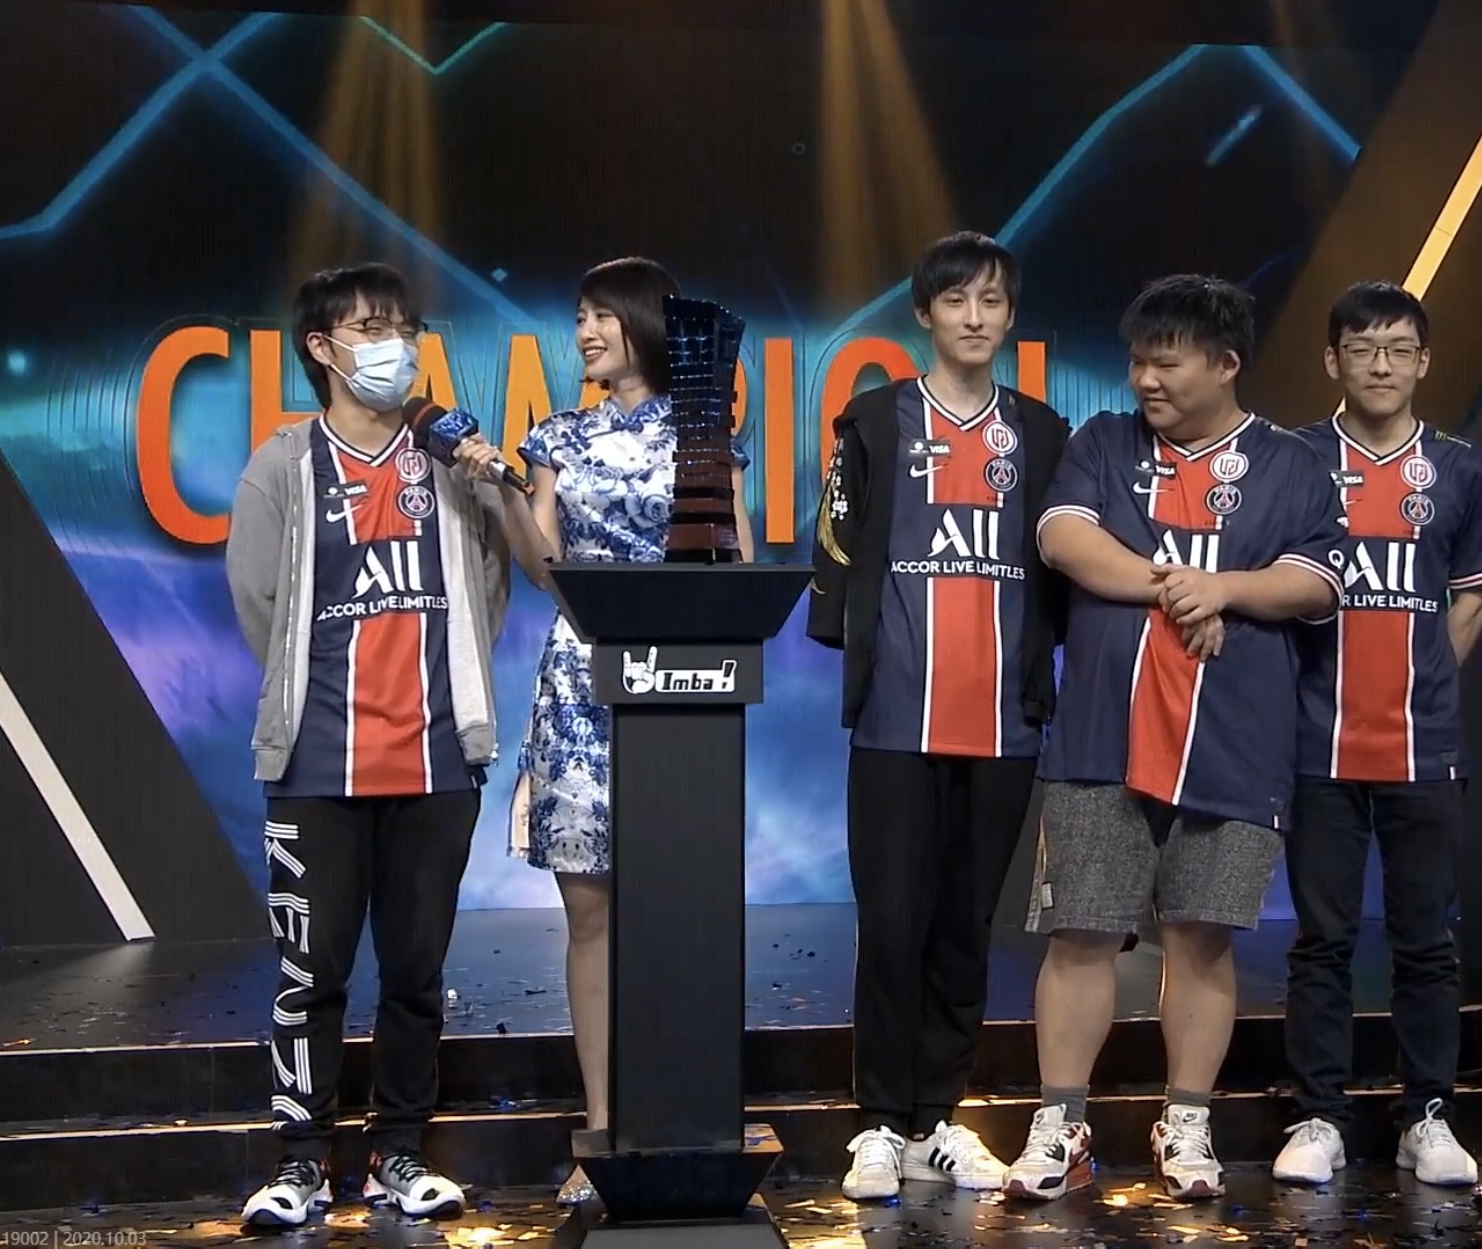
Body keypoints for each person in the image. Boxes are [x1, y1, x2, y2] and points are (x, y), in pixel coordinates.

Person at [1003, 275, 1344, 1203]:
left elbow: (1318, 581)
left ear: (1226, 364)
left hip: (1235, 744)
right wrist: (1177, 585)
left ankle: (1186, 1122)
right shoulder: (1103, 443)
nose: (1145, 379)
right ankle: (1060, 1123)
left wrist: (1226, 589)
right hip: (1100, 741)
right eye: (1138, 361)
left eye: (1166, 362)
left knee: (1202, 939)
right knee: (1080, 932)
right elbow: (1064, 538)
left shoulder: (1290, 463)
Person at [227, 262, 513, 1227]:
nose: (394, 345)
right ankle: (301, 1162)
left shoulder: (448, 460)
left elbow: (489, 585)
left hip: (436, 763)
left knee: (415, 974)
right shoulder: (283, 465)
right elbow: (260, 602)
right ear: (321, 347)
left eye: (402, 327)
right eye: (370, 328)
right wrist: (309, 694)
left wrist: (456, 690)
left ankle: (399, 1150)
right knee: (311, 976)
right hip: (316, 764)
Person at [807, 231, 1071, 1201]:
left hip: (1004, 721)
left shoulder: (1041, 433)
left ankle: (937, 1118)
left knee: (967, 926)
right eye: (956, 299)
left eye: (991, 301)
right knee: (891, 922)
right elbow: (837, 537)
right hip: (894, 720)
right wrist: (847, 636)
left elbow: (1062, 560)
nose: (974, 317)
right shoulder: (875, 420)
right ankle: (879, 1121)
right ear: (923, 313)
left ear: (1010, 316)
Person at [488, 257, 755, 1204]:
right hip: (579, 686)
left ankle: (685, 1119)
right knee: (591, 913)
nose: (588, 332)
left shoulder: (704, 434)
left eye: (603, 315)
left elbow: (739, 559)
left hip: (682, 686)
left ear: (647, 323)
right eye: (580, 317)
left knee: (679, 906)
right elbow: (543, 565)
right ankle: (600, 1132)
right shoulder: (556, 436)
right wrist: (507, 491)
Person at [1274, 281, 1482, 1188]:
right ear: (1332, 360)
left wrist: (1426, 678)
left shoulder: (1461, 468)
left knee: (1426, 941)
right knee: (1321, 941)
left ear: (1424, 361)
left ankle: (1427, 1115)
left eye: (1398, 349)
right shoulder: (1293, 459)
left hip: (1425, 744)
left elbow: (1476, 592)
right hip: (1316, 742)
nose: (1381, 365)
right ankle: (1319, 1116)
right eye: (1363, 348)